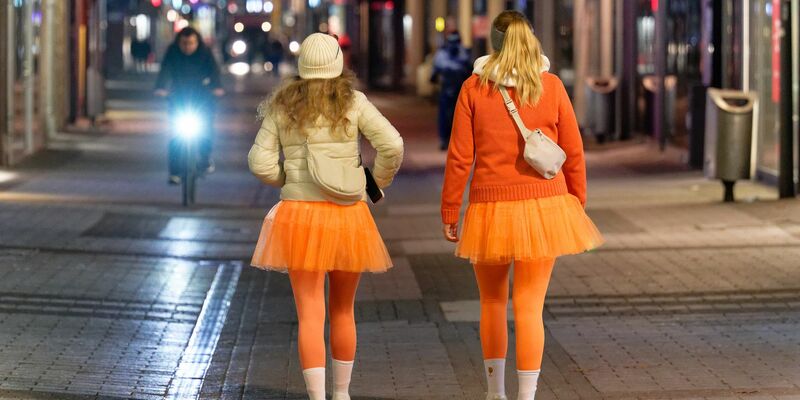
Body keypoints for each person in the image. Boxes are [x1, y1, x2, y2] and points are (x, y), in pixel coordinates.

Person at [440, 11, 603, 400]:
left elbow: (460, 157)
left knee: (492, 302)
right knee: (530, 307)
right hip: (546, 208)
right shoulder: (550, 86)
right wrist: (576, 200)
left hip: (490, 208)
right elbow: (574, 151)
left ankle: (495, 393)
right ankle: (526, 396)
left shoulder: (473, 89)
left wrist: (450, 209)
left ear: (492, 45)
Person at [248, 33, 404, 400]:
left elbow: (259, 161)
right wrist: (374, 181)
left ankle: (316, 397)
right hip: (347, 215)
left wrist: (287, 179)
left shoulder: (283, 105)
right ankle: (342, 394)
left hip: (299, 217)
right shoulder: (354, 100)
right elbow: (392, 144)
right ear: (337, 64)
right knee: (344, 310)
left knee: (309, 313)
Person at [154, 27, 224, 184]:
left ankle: (205, 160)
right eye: (184, 43)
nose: (188, 47)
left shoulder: (205, 53)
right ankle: (175, 172)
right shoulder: (172, 53)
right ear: (178, 43)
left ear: (197, 42)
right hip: (178, 98)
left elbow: (214, 72)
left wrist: (217, 88)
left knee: (206, 129)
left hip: (202, 98)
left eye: (191, 43)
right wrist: (161, 88)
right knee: (175, 136)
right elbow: (165, 70)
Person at [431, 31, 471, 150]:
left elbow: (468, 68)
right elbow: (436, 71)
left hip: (459, 88)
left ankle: (453, 140)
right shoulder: (443, 54)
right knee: (445, 115)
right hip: (447, 88)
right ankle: (445, 139)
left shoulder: (463, 52)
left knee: (458, 116)